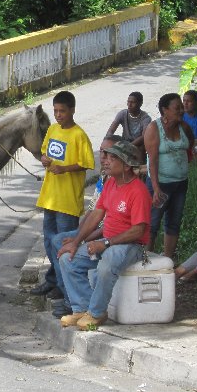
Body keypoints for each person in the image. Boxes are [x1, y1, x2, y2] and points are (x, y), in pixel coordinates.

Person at [57, 140, 151, 330]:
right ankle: (82, 308)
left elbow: (138, 230)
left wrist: (106, 243)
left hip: (131, 246)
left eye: (112, 158)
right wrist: (76, 242)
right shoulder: (110, 184)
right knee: (68, 259)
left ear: (126, 165)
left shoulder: (138, 191)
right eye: (106, 156)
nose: (106, 161)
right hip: (107, 242)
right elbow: (95, 215)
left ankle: (97, 313)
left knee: (107, 262)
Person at [30, 90, 95, 298]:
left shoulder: (79, 135)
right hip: (50, 196)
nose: (59, 115)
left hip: (67, 201)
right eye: (56, 111)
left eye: (62, 111)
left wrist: (64, 169)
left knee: (65, 247)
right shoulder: (52, 130)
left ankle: (64, 288)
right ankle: (56, 281)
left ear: (72, 110)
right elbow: (45, 153)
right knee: (50, 244)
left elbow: (87, 163)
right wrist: (45, 160)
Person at [49, 134, 122, 318]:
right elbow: (93, 211)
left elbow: (108, 227)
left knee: (66, 249)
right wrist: (78, 235)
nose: (103, 157)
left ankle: (78, 303)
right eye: (102, 152)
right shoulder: (105, 179)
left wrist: (80, 239)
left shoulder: (125, 185)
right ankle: (74, 299)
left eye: (107, 154)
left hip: (107, 237)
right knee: (58, 241)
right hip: (94, 231)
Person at [143, 92, 194, 260]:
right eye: (177, 108)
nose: (181, 110)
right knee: (152, 224)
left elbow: (190, 144)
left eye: (181, 107)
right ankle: (146, 260)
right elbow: (153, 161)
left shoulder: (184, 127)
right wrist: (156, 189)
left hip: (180, 183)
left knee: (173, 222)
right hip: (160, 184)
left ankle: (167, 260)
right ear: (164, 110)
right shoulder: (153, 128)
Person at [105, 91, 151, 163]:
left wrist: (127, 146)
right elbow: (111, 130)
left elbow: (143, 137)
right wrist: (108, 141)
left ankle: (139, 167)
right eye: (128, 102)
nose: (129, 105)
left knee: (141, 148)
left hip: (138, 146)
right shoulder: (123, 113)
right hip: (124, 143)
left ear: (140, 103)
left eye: (133, 102)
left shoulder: (146, 118)